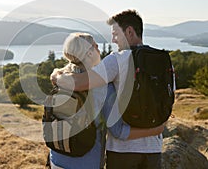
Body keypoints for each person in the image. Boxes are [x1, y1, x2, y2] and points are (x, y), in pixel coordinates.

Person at [51, 10, 169, 169]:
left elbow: (78, 83)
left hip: (69, 157)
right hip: (152, 149)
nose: (112, 39)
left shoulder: (117, 60)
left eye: (115, 34)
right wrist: (157, 129)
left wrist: (56, 77)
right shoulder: (164, 60)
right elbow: (167, 99)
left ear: (129, 31)